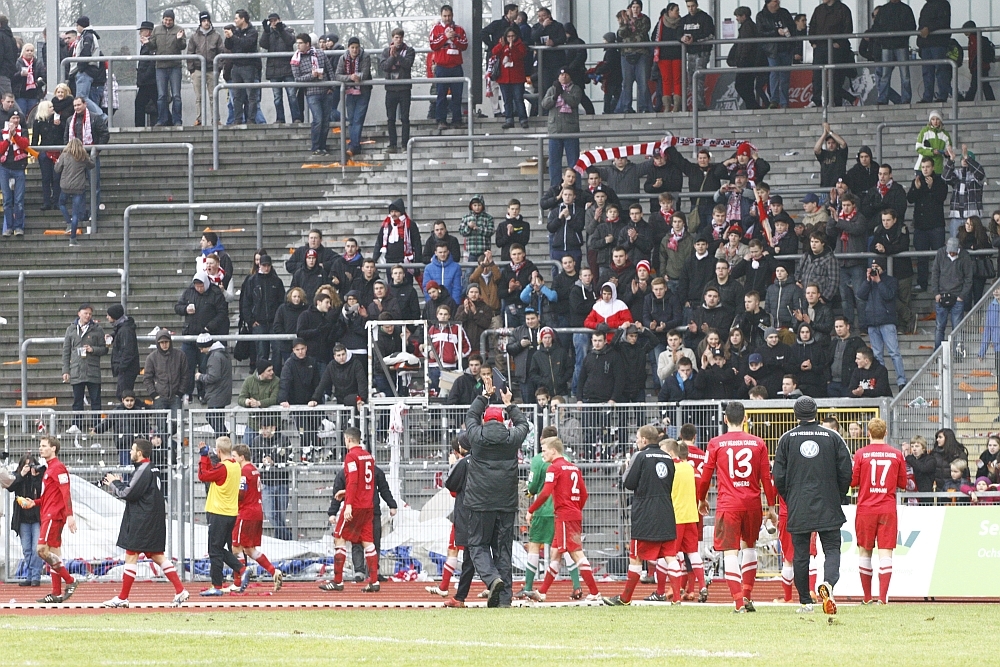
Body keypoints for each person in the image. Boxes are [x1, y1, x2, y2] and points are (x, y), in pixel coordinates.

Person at [773, 396, 853, 615]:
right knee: (832, 549)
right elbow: (846, 470)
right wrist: (838, 494)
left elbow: (777, 475)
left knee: (800, 554)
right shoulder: (832, 436)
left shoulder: (787, 438)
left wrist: (790, 497)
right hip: (828, 501)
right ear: (816, 413)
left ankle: (805, 602)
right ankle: (828, 584)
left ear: (796, 414)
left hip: (799, 503)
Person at [695, 402, 776, 612]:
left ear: (725, 419)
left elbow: (705, 477)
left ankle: (738, 602)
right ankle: (747, 596)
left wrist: (701, 499)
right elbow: (766, 478)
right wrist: (772, 507)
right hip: (752, 503)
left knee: (730, 552)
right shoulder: (758, 443)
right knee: (749, 547)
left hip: (728, 504)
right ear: (745, 419)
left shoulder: (715, 443)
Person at [463, 379, 529, 607]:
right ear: (503, 420)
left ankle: (492, 580)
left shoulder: (477, 437)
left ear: (484, 419)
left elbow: (470, 416)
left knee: (477, 545)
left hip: (480, 502)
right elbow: (524, 424)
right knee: (503, 550)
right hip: (506, 503)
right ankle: (504, 599)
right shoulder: (512, 438)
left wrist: (484, 396)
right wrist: (509, 404)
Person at [100, 438, 189, 608]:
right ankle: (180, 590)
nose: (130, 452)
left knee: (131, 554)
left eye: (132, 450)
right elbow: (139, 490)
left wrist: (114, 483)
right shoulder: (152, 468)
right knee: (157, 555)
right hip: (153, 518)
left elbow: (127, 493)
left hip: (142, 519)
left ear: (139, 453)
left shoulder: (143, 469)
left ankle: (122, 597)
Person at [604, 426, 682, 606]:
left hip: (645, 514)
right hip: (666, 511)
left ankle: (625, 598)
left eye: (638, 439)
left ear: (644, 440)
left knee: (636, 557)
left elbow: (629, 483)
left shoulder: (639, 456)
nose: (637, 441)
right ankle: (676, 598)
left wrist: (626, 468)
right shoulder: (668, 458)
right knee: (671, 556)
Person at [524, 436, 602, 603]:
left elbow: (545, 493)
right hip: (571, 514)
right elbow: (584, 494)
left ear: (553, 450)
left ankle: (595, 592)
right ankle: (542, 592)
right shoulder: (573, 468)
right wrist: (575, 509)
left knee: (576, 554)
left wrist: (531, 509)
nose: (542, 454)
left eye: (544, 450)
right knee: (556, 554)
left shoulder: (554, 468)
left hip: (564, 516)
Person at [850, 418, 907, 605]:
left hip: (866, 509)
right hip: (887, 508)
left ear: (868, 433)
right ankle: (883, 598)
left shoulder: (861, 454)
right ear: (886, 433)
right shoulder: (896, 454)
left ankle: (867, 598)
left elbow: (853, 481)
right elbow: (903, 483)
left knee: (865, 552)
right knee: (886, 554)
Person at [22, 436, 79, 603]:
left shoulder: (58, 468)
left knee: (41, 550)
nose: (41, 449)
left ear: (53, 448)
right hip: (48, 513)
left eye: (44, 446)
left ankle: (70, 580)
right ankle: (56, 593)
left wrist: (69, 515)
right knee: (53, 553)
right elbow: (49, 496)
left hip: (53, 516)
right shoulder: (49, 469)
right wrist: (34, 502)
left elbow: (66, 492)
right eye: (40, 446)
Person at [227, 444, 283, 592]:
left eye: (234, 456)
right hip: (257, 511)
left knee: (235, 547)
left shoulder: (244, 471)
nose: (232, 459)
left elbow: (241, 492)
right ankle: (273, 571)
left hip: (246, 512)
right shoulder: (254, 470)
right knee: (250, 549)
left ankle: (238, 581)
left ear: (241, 457)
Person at [196, 436, 245, 596]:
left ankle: (218, 584)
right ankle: (240, 569)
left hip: (218, 512)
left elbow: (204, 476)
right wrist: (208, 459)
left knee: (214, 550)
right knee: (218, 548)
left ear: (218, 451)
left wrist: (203, 456)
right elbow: (213, 473)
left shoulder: (223, 468)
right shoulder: (235, 466)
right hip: (230, 512)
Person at [174, 271, 229, 394]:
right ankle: (187, 394)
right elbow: (177, 307)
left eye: (201, 286)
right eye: (197, 286)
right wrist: (185, 309)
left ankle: (203, 392)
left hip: (206, 338)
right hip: (190, 336)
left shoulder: (215, 293)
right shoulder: (189, 292)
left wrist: (210, 327)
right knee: (187, 367)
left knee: (205, 367)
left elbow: (222, 313)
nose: (199, 289)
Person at [856, 260, 906, 389]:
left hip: (887, 321)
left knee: (894, 352)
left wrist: (879, 281)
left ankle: (901, 381)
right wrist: (868, 280)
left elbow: (889, 295)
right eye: (872, 268)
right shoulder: (869, 282)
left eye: (876, 267)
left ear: (882, 268)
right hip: (872, 323)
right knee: (877, 355)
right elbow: (860, 295)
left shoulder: (890, 280)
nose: (874, 270)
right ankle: (882, 382)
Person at [908, 156, 949, 291]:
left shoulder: (940, 181)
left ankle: (941, 284)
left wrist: (931, 187)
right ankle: (922, 283)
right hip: (920, 226)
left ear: (933, 168)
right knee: (921, 257)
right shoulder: (917, 180)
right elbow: (910, 199)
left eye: (927, 167)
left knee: (940, 256)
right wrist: (917, 188)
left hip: (936, 225)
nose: (925, 169)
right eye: (923, 167)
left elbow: (941, 197)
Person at [61, 303, 106, 424]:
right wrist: (65, 370)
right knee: (77, 400)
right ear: (79, 313)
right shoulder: (71, 329)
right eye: (85, 313)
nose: (88, 316)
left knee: (96, 400)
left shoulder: (98, 329)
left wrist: (93, 349)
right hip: (76, 370)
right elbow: (66, 351)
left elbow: (104, 349)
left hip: (92, 370)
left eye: (90, 314)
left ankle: (96, 426)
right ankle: (77, 425)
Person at [807, 0, 854, 108]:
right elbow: (812, 26)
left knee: (836, 75)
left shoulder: (843, 9)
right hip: (820, 47)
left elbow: (848, 28)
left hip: (836, 48)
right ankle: (817, 100)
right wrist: (813, 42)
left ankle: (835, 101)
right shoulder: (818, 10)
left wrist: (839, 43)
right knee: (817, 75)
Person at [6, 453, 43, 587]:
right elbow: (11, 487)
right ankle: (30, 575)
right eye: (26, 464)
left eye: (31, 464)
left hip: (37, 517)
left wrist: (34, 476)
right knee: (26, 549)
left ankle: (35, 576)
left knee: (36, 549)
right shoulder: (17, 475)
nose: (29, 467)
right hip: (22, 518)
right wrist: (22, 474)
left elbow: (41, 490)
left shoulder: (39, 476)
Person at [377, 28, 415, 152]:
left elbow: (408, 64)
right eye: (396, 37)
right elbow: (384, 67)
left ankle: (405, 144)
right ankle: (392, 144)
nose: (398, 40)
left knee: (405, 117)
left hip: (404, 88)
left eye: (400, 37)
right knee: (391, 118)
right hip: (391, 89)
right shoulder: (385, 51)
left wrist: (397, 55)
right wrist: (392, 57)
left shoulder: (409, 50)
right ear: (392, 38)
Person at [430, 5, 468, 130]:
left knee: (457, 95)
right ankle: (441, 120)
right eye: (445, 16)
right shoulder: (436, 29)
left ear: (452, 15)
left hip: (456, 67)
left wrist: (454, 39)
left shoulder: (459, 29)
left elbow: (464, 45)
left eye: (449, 16)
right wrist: (445, 37)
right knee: (441, 95)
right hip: (442, 67)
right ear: (441, 16)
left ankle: (457, 120)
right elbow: (433, 45)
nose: (447, 18)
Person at [542, 71, 582, 189]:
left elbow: (574, 101)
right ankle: (555, 187)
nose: (563, 76)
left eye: (566, 74)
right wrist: (554, 96)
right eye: (561, 75)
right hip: (554, 130)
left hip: (571, 131)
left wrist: (563, 93)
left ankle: (576, 187)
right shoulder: (552, 89)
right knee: (554, 162)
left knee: (574, 162)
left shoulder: (575, 89)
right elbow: (544, 104)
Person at [931, 237, 973, 349]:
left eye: (954, 252)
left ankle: (958, 354)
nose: (952, 254)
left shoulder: (964, 256)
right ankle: (937, 354)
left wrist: (962, 296)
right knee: (940, 327)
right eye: (950, 252)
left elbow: (969, 278)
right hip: (941, 295)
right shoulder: (940, 253)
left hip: (957, 297)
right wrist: (936, 293)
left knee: (957, 328)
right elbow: (935, 274)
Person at [871, 0, 915, 105]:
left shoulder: (884, 10)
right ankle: (903, 99)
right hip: (895, 45)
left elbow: (912, 26)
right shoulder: (905, 9)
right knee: (900, 74)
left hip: (893, 45)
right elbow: (876, 28)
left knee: (891, 74)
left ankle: (884, 99)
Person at [258, 13, 299, 125]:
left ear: (279, 20)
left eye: (275, 20)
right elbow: (263, 44)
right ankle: (280, 118)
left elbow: (290, 41)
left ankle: (296, 118)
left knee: (291, 95)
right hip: (273, 69)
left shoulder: (288, 30)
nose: (273, 23)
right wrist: (266, 31)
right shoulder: (269, 32)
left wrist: (281, 30)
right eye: (271, 21)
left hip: (287, 68)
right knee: (277, 97)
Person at [336, 37, 372, 159]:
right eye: (352, 48)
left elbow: (365, 73)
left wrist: (359, 77)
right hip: (350, 92)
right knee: (351, 120)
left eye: (357, 47)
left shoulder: (365, 57)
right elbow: (338, 75)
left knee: (358, 119)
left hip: (363, 91)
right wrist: (350, 78)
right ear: (348, 48)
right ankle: (355, 146)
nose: (355, 50)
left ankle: (352, 146)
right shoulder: (343, 58)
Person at [187, 12, 224, 127]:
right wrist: (192, 70)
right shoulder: (194, 36)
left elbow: (221, 53)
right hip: (198, 70)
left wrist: (218, 69)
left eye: (207, 20)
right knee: (199, 97)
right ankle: (199, 119)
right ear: (200, 22)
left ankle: (215, 119)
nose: (206, 23)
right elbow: (190, 53)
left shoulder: (216, 36)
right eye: (203, 21)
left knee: (213, 96)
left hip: (212, 70)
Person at [150, 9, 186, 127]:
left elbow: (182, 46)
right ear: (163, 19)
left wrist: (179, 38)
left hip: (175, 66)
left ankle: (177, 120)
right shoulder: (156, 30)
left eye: (170, 20)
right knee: (161, 95)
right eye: (166, 19)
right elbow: (153, 45)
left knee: (176, 95)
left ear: (173, 20)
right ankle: (162, 120)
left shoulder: (179, 30)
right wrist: (146, 42)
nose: (168, 22)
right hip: (160, 66)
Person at [757, 0, 796, 109]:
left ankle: (783, 102)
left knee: (784, 76)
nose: (778, 3)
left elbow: (793, 27)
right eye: (775, 1)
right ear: (768, 3)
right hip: (772, 50)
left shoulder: (784, 13)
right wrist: (776, 32)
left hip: (785, 48)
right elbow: (760, 33)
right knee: (774, 74)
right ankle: (774, 100)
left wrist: (791, 38)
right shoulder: (761, 16)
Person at [943, 144, 986, 237]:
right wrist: (951, 160)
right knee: (955, 244)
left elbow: (981, 173)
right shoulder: (957, 173)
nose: (965, 161)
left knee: (975, 242)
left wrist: (968, 158)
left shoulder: (976, 176)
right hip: (957, 217)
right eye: (963, 159)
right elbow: (945, 178)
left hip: (973, 217)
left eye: (967, 159)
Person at [225, 10, 259, 125]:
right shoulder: (236, 32)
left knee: (251, 95)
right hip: (236, 66)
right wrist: (228, 37)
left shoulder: (252, 32)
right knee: (237, 96)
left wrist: (233, 37)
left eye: (236, 18)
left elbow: (246, 45)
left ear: (243, 19)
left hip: (248, 66)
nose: (235, 21)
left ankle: (251, 119)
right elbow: (229, 46)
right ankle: (237, 119)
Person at [916, 0, 952, 104]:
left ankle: (942, 96)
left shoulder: (943, 4)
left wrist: (929, 29)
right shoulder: (926, 6)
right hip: (926, 44)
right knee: (927, 72)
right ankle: (927, 97)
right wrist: (920, 43)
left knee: (940, 70)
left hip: (938, 43)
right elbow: (921, 25)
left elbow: (944, 23)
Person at [493, 27, 529, 129]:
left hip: (517, 77)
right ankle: (509, 119)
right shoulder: (503, 45)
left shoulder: (520, 45)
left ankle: (523, 119)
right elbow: (494, 52)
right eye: (508, 36)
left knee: (518, 98)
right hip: (504, 77)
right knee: (507, 99)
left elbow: (521, 55)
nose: (511, 38)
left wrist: (512, 48)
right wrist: (502, 45)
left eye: (513, 36)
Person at [0, 109, 28, 238]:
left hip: (19, 167)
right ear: (8, 120)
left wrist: (15, 136)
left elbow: (25, 144)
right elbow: (1, 149)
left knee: (19, 200)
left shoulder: (23, 131)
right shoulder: (2, 132)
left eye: (17, 119)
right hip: (5, 168)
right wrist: (8, 139)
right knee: (7, 200)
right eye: (13, 119)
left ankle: (18, 226)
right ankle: (9, 227)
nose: (16, 121)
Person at [30, 100, 62, 211]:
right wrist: (34, 153)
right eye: (50, 107)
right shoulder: (38, 122)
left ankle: (57, 201)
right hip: (44, 151)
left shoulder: (58, 119)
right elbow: (35, 138)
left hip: (57, 151)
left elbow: (61, 136)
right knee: (46, 178)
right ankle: (47, 202)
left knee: (56, 177)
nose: (53, 108)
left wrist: (59, 125)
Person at [105, 303, 139, 401]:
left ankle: (143, 409)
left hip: (127, 369)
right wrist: (112, 335)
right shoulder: (123, 327)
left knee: (124, 396)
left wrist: (121, 367)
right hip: (127, 369)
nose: (107, 317)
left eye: (108, 315)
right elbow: (119, 332)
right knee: (123, 395)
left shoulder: (125, 330)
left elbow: (128, 350)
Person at [69, 16, 101, 106]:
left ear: (81, 25)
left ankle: (101, 116)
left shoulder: (87, 36)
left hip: (86, 70)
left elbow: (86, 52)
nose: (76, 27)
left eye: (77, 25)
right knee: (83, 98)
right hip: (87, 70)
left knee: (81, 98)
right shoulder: (88, 35)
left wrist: (80, 67)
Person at [12, 43, 45, 117]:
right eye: (27, 50)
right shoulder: (17, 62)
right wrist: (20, 74)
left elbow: (44, 77)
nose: (29, 52)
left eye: (31, 51)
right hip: (21, 94)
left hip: (34, 94)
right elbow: (12, 77)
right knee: (21, 115)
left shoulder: (38, 63)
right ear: (23, 52)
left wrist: (37, 83)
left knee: (32, 116)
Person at [914, 109, 951, 175]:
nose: (935, 121)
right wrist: (932, 151)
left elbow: (948, 150)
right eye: (933, 119)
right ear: (930, 121)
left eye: (937, 119)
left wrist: (947, 153)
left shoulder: (946, 135)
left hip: (938, 168)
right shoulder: (924, 131)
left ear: (941, 121)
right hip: (922, 167)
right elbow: (918, 148)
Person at [134, 21, 157, 126]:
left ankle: (139, 126)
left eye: (142, 31)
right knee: (156, 102)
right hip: (147, 80)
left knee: (140, 103)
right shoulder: (145, 46)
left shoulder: (150, 45)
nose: (140, 34)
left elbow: (151, 63)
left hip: (149, 81)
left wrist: (144, 77)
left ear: (148, 32)